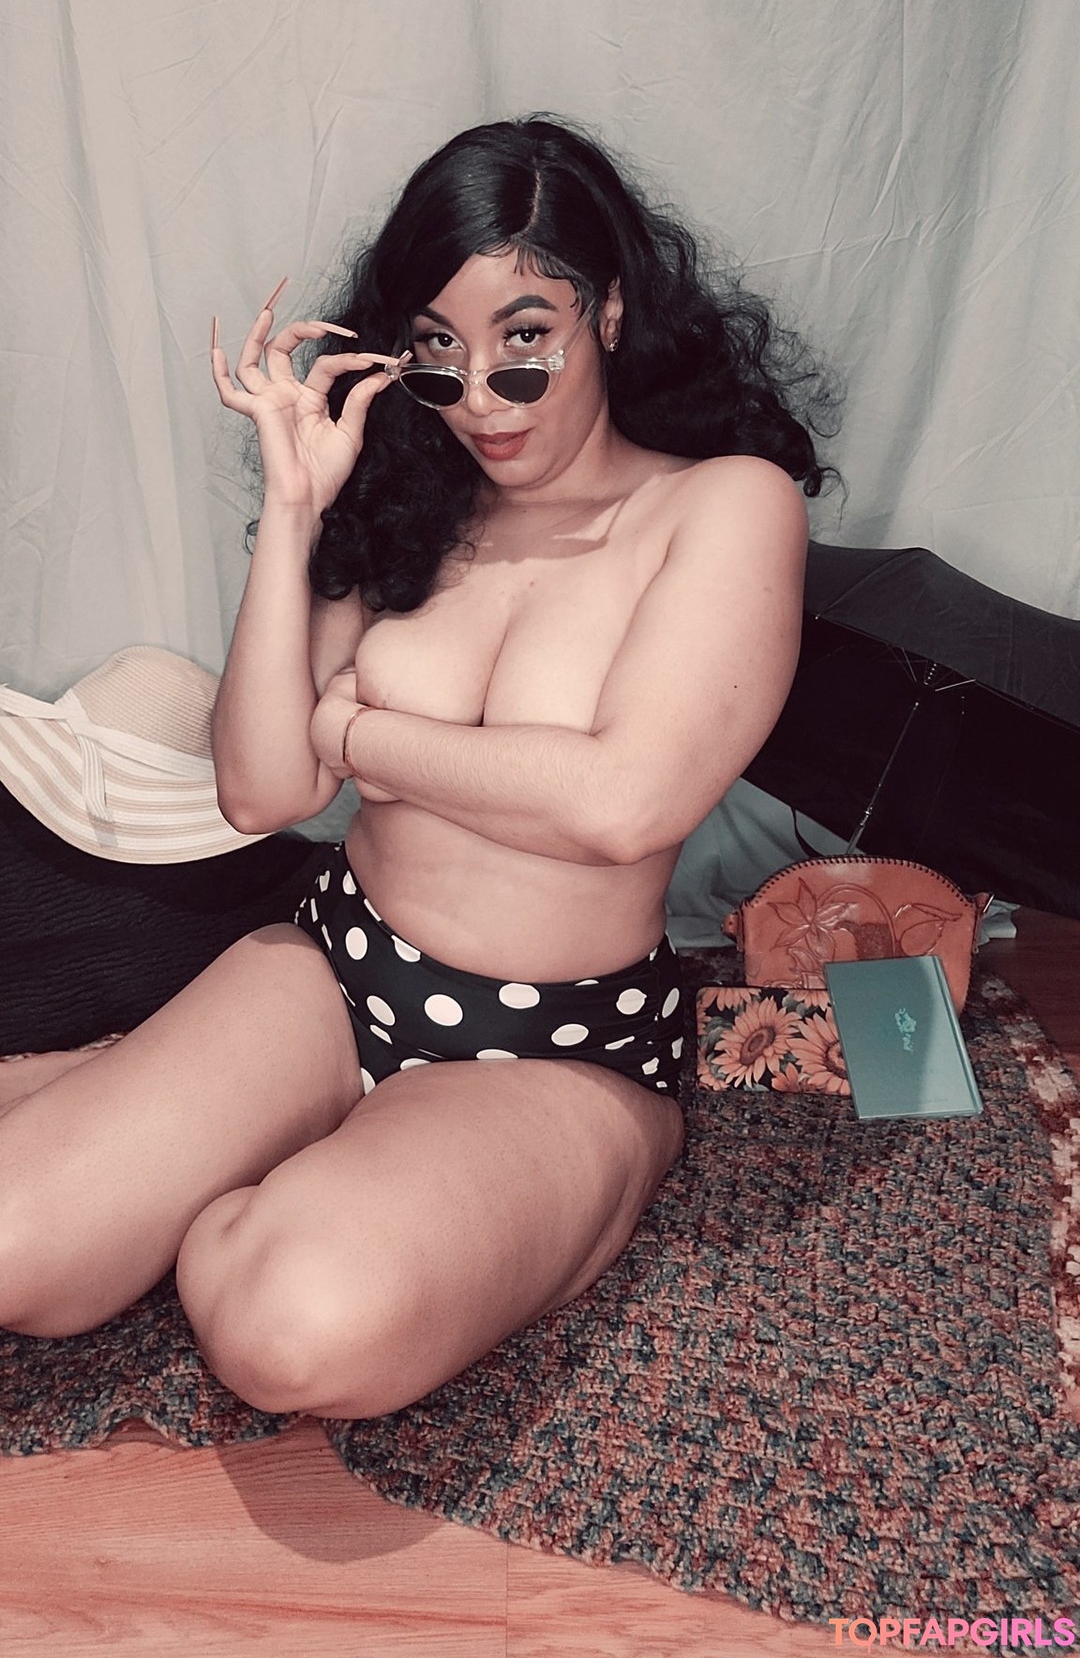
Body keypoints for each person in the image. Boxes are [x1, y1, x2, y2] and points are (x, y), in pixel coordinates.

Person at [0, 117, 829, 1420]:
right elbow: (262, 791)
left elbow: (624, 806)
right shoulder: (411, 501)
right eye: (440, 351)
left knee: (291, 1334)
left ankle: (288, 1179)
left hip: (560, 1048)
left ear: (609, 310)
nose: (482, 398)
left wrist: (359, 737)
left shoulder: (721, 505)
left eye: (524, 340)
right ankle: (258, 1146)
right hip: (337, 966)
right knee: (19, 1252)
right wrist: (296, 508)